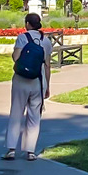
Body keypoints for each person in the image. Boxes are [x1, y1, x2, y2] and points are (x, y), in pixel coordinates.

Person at [4, 13, 53, 161]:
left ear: (27, 24)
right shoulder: (46, 41)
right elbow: (47, 65)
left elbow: (16, 58)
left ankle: (11, 149)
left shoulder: (22, 37)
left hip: (21, 80)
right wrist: (47, 86)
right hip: (38, 81)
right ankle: (30, 151)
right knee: (34, 116)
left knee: (16, 112)